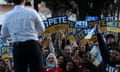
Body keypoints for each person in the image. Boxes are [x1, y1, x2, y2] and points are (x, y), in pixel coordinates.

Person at [1, 0, 45, 72]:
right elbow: (42, 28)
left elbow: (4, 34)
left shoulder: (7, 15)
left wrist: (14, 32)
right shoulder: (32, 12)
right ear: (24, 1)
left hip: (18, 47)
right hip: (32, 45)